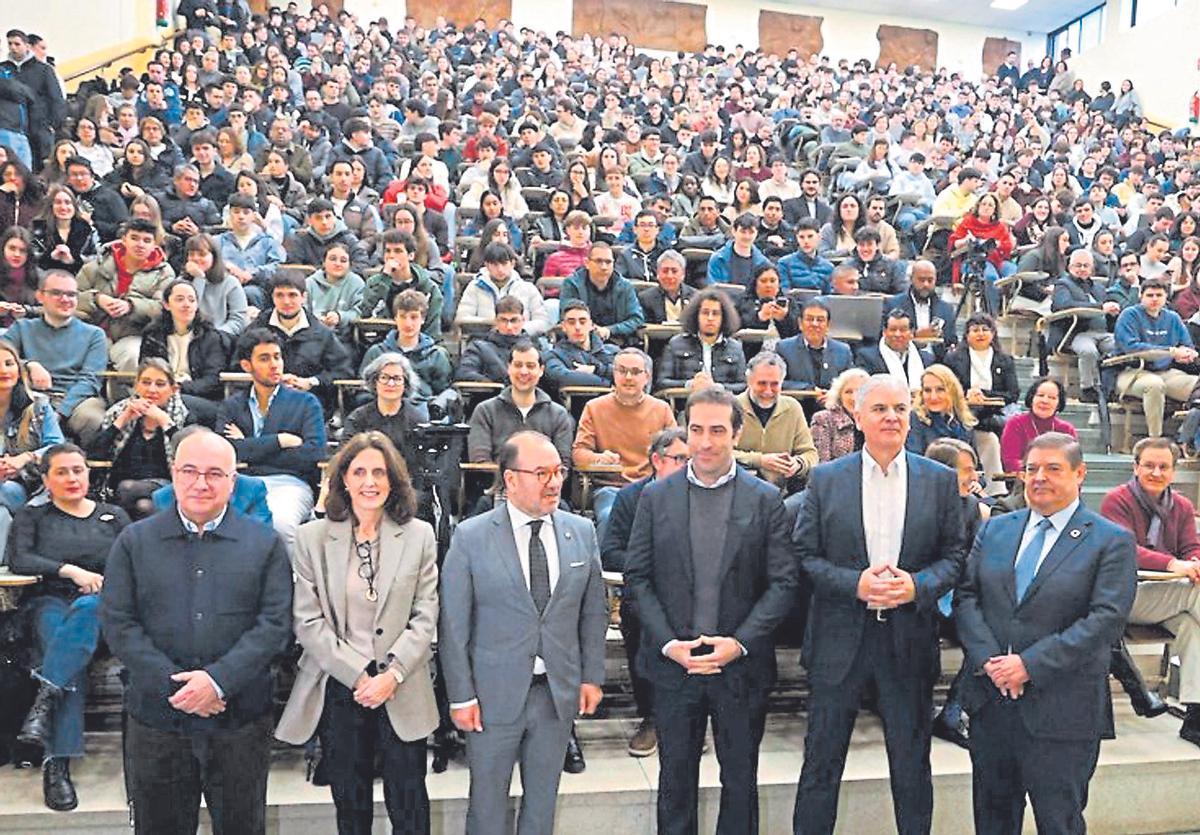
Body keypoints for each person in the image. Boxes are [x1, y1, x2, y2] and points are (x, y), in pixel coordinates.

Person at [793, 373, 965, 835]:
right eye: (880, 409)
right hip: (839, 640)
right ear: (857, 417)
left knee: (911, 765)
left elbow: (954, 557)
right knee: (821, 763)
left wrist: (917, 585)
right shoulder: (827, 480)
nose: (892, 417)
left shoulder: (941, 480)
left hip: (908, 640)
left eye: (900, 409)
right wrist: (855, 585)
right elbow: (805, 556)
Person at [100, 427, 292, 835]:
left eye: (214, 473)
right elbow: (120, 623)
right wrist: (179, 688)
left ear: (232, 481)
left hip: (240, 721)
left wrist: (218, 682)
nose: (201, 483)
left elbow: (274, 624)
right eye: (190, 470)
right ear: (172, 473)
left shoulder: (265, 544)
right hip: (157, 721)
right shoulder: (134, 541)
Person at [623, 386, 797, 834]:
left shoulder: (765, 500)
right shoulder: (655, 498)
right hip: (673, 667)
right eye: (696, 430)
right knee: (675, 781)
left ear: (736, 434)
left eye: (717, 430)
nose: (705, 442)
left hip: (740, 668)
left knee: (740, 782)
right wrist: (668, 644)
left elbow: (783, 583)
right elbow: (637, 579)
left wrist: (738, 644)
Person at [955, 432, 1137, 835]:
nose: (1039, 477)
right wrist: (992, 662)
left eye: (1053, 468)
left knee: (1060, 822)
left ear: (1080, 474)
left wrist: (1029, 665)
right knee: (992, 819)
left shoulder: (1111, 541)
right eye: (1031, 469)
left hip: (1062, 711)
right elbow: (967, 598)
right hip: (992, 703)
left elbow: (1105, 620)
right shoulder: (996, 529)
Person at [439, 430, 608, 835]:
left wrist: (592, 677)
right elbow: (453, 626)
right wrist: (461, 694)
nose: (554, 482)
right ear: (510, 478)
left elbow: (592, 612)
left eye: (559, 471)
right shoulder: (471, 536)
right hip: (491, 697)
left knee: (542, 804)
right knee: (488, 807)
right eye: (542, 473)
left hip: (555, 694)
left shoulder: (580, 531)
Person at [276, 431, 439, 834]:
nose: (370, 482)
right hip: (339, 686)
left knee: (410, 805)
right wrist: (358, 675)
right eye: (359, 471)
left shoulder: (419, 535)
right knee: (351, 805)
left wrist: (392, 675)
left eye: (379, 472)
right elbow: (307, 620)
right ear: (343, 479)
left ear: (393, 480)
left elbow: (426, 614)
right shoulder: (312, 537)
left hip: (400, 684)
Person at [11, 445, 130, 811]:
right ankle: (56, 763)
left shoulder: (114, 515)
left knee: (85, 613)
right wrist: (69, 570)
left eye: (78, 470)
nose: (72, 478)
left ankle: (44, 712)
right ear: (46, 480)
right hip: (50, 601)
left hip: (104, 608)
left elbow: (137, 559)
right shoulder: (33, 517)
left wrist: (106, 583)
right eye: (61, 472)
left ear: (89, 474)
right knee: (60, 641)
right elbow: (19, 558)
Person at [1100, 437, 1200, 745]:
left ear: (1174, 470)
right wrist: (1173, 565)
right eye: (1149, 465)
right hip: (1128, 595)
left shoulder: (1181, 505)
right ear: (1135, 467)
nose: (1156, 472)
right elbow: (1127, 550)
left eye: (1163, 466)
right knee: (1194, 593)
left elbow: (1191, 546)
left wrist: (1194, 562)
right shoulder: (1116, 500)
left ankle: (1195, 718)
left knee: (1192, 628)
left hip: (1167, 596)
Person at [599, 427, 689, 759]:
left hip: (689, 596)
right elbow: (610, 551)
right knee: (640, 632)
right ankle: (650, 719)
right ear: (656, 460)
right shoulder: (630, 498)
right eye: (680, 459)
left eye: (691, 459)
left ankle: (684, 720)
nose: (687, 466)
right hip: (644, 592)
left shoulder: (700, 494)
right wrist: (652, 566)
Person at [217, 328, 327, 555]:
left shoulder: (306, 402)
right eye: (264, 359)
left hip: (289, 483)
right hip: (241, 482)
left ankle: (288, 588)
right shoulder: (232, 405)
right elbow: (225, 452)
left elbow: (313, 453)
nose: (275, 364)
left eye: (277, 357)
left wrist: (249, 447)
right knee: (220, 523)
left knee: (280, 524)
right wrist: (279, 441)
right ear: (247, 365)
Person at [2, 270, 108, 444]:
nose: (65, 299)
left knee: (92, 418)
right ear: (40, 296)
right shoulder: (22, 328)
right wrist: (29, 364)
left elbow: (90, 380)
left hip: (75, 401)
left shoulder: (94, 335)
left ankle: (85, 469)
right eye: (56, 293)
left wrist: (58, 412)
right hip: (28, 397)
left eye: (71, 294)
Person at [92, 358, 192, 518]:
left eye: (160, 384)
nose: (152, 390)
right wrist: (122, 420)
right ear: (136, 385)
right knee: (143, 506)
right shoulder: (118, 412)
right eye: (146, 382)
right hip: (120, 489)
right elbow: (94, 454)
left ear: (173, 389)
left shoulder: (185, 415)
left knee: (128, 489)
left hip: (169, 488)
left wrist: (165, 422)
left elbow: (192, 455)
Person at [75, 217, 175, 371]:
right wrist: (96, 298)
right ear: (123, 240)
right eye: (134, 238)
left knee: (133, 355)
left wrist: (131, 306)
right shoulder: (94, 267)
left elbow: (164, 308)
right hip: (92, 331)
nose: (140, 244)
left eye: (147, 240)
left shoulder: (164, 274)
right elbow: (70, 298)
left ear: (155, 244)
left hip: (134, 335)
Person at [467, 338, 575, 465]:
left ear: (541, 370)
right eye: (518, 365)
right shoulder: (485, 411)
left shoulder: (558, 414)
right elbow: (480, 462)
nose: (524, 372)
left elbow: (563, 465)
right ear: (508, 368)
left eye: (530, 366)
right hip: (498, 484)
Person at [1114, 279, 1199, 437]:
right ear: (1141, 296)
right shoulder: (1129, 315)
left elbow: (1187, 346)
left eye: (1159, 295)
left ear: (1166, 297)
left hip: (1166, 372)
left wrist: (1187, 355)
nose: (1154, 299)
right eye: (1150, 295)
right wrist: (1171, 351)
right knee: (1154, 385)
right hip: (1132, 371)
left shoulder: (1173, 318)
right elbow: (1131, 348)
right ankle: (1155, 439)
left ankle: (1186, 436)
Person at [360, 290, 455, 422]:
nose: (408, 323)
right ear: (395, 318)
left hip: (423, 416)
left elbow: (444, 393)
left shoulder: (437, 355)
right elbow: (364, 391)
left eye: (414, 317)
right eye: (403, 316)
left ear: (423, 319)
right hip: (382, 414)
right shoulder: (377, 353)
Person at [733, 351, 817, 489]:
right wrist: (760, 461)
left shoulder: (792, 408)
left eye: (774, 384)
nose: (768, 391)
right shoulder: (732, 407)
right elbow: (721, 453)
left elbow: (810, 454)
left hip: (784, 489)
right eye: (762, 383)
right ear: (749, 381)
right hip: (740, 486)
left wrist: (797, 463)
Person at [1048, 248, 1118, 402]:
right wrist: (1100, 308)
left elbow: (1106, 307)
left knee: (1120, 347)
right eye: (1078, 265)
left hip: (1103, 333)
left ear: (1092, 268)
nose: (1082, 269)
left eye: (1086, 266)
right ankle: (1087, 389)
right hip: (1076, 333)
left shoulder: (1099, 287)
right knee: (1088, 351)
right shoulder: (1062, 285)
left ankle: (1110, 388)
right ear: (1069, 267)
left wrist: (1113, 311)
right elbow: (1064, 305)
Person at [656, 288, 747, 393]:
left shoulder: (735, 348)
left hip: (723, 406)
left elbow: (744, 385)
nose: (710, 318)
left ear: (724, 317)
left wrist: (716, 387)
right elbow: (661, 382)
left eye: (716, 313)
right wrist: (690, 384)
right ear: (696, 315)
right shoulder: (676, 344)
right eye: (705, 312)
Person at [456, 241, 550, 337]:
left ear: (512, 263)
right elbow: (462, 319)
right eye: (495, 265)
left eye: (504, 264)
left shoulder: (528, 288)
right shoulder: (474, 287)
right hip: (485, 342)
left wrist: (519, 328)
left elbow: (542, 322)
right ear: (487, 265)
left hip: (521, 342)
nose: (500, 269)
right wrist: (491, 324)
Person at [560, 241, 645, 344]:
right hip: (579, 342)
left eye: (608, 262)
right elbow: (568, 317)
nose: (604, 267)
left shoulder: (625, 286)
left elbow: (636, 320)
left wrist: (609, 330)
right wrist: (593, 330)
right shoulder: (572, 284)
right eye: (599, 261)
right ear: (587, 263)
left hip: (618, 342)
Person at [544, 300, 618, 391]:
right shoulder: (553, 355)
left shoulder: (613, 351)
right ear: (563, 326)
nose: (577, 327)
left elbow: (632, 374)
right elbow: (563, 378)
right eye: (571, 322)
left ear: (591, 325)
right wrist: (610, 384)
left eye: (582, 322)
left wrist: (596, 370)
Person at [888, 260, 957, 353]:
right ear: (911, 279)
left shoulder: (946, 309)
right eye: (921, 280)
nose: (926, 284)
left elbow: (951, 342)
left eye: (930, 280)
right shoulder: (893, 304)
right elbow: (885, 339)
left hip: (937, 362)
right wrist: (915, 335)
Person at [857, 308, 934, 391]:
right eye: (893, 329)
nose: (897, 334)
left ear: (911, 333)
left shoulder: (927, 359)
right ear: (884, 332)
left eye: (903, 330)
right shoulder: (867, 358)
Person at [810, 368, 869, 463]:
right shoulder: (823, 419)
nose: (854, 397)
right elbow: (821, 465)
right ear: (839, 395)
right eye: (848, 392)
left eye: (860, 391)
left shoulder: (877, 420)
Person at [637, 250, 695, 325]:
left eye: (674, 271)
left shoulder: (695, 297)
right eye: (665, 271)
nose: (669, 276)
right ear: (657, 273)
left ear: (683, 274)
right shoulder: (645, 299)